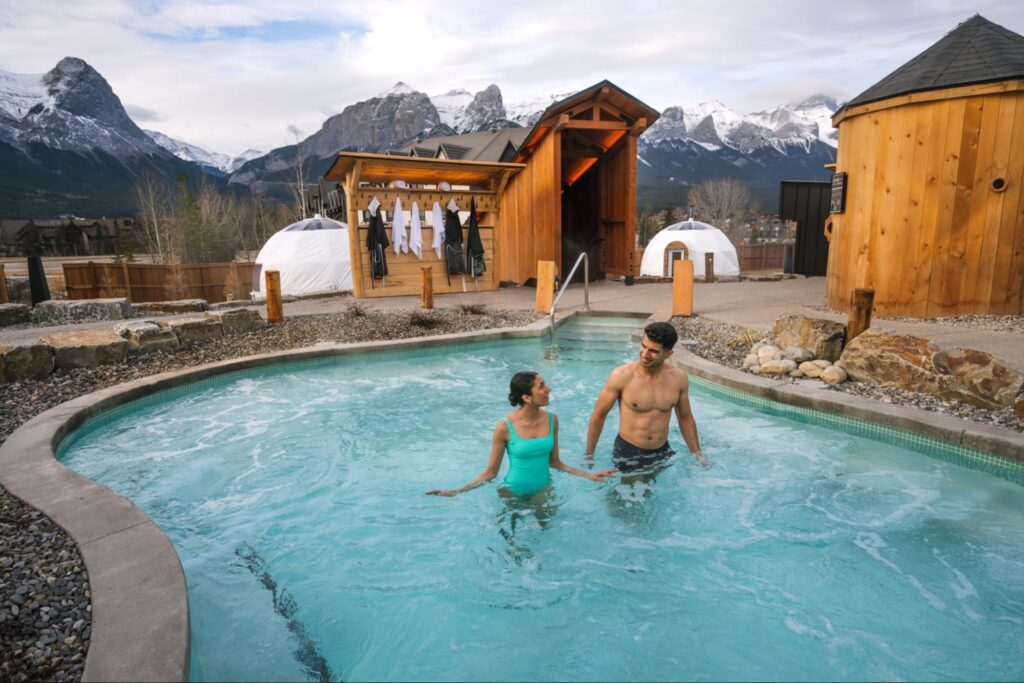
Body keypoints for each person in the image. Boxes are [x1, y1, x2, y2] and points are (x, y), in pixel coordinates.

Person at [426, 371, 617, 498]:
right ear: (527, 397)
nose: (548, 389)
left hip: (543, 490)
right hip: (512, 492)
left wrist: (588, 476)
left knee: (544, 539)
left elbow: (555, 462)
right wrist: (456, 491)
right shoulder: (504, 427)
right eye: (542, 386)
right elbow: (490, 473)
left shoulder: (552, 420)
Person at [585, 322, 708, 472]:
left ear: (668, 354)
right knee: (625, 495)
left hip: (662, 451)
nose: (644, 354)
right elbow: (599, 415)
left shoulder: (678, 378)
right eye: (643, 346)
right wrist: (589, 454)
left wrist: (697, 453)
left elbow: (685, 417)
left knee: (656, 494)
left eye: (653, 351)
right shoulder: (622, 376)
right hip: (629, 452)